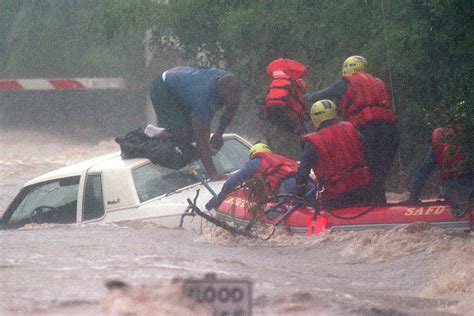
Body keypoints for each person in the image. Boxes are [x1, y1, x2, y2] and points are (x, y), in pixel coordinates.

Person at [303, 56, 399, 203]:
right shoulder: (379, 82)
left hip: (368, 131)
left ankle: (372, 208)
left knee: (369, 172)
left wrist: (307, 97)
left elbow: (323, 94)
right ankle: (381, 205)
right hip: (391, 132)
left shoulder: (346, 83)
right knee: (380, 174)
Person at [150, 66, 242, 181]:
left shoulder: (230, 84)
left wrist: (219, 133)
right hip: (163, 87)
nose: (235, 98)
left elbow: (230, 110)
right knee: (186, 135)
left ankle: (173, 131)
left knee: (193, 131)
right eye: (231, 96)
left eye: (237, 94)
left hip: (182, 79)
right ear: (221, 92)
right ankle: (159, 133)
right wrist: (213, 174)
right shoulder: (203, 100)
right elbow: (201, 142)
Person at [294, 100, 374, 209]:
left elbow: (303, 174)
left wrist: (298, 196)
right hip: (365, 190)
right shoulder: (350, 128)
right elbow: (369, 155)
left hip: (336, 198)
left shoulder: (312, 141)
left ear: (315, 119)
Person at [205, 143, 314, 210]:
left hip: (288, 189)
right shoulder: (280, 159)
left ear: (253, 154)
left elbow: (231, 183)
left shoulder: (255, 162)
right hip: (309, 186)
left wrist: (218, 201)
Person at [409, 126, 473, 211]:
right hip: (468, 182)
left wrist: (413, 196)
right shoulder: (467, 141)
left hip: (451, 185)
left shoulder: (437, 146)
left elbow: (423, 171)